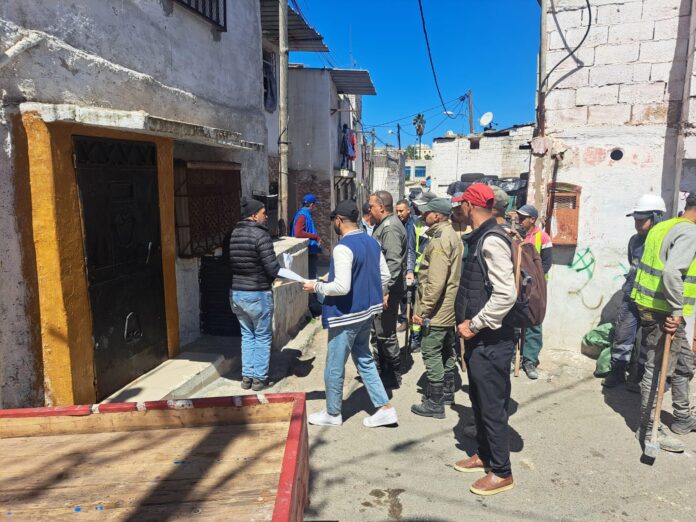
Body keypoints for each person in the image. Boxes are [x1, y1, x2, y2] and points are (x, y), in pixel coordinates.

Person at [303, 200, 398, 428]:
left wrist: (316, 286)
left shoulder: (342, 247)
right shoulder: (372, 242)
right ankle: (385, 408)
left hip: (345, 315)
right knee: (364, 359)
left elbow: (342, 287)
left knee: (334, 366)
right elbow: (384, 276)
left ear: (338, 220)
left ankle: (333, 412)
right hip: (367, 312)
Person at [451, 183, 517, 496]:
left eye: (460, 205)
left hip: (492, 339)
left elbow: (506, 295)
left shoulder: (491, 240)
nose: (458, 210)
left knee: (492, 406)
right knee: (479, 401)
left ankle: (502, 471)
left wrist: (475, 324)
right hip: (481, 339)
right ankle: (485, 456)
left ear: (469, 205)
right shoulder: (483, 236)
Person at [633, 192, 696, 452]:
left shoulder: (665, 226)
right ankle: (650, 428)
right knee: (658, 369)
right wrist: (677, 310)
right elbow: (671, 272)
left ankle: (682, 417)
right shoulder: (690, 232)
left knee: (683, 363)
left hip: (653, 305)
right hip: (664, 311)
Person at [603, 194, 666, 389]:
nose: (637, 224)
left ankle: (639, 376)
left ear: (655, 217)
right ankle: (617, 371)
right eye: (636, 220)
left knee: (648, 341)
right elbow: (633, 264)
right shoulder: (634, 241)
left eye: (641, 220)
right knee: (623, 335)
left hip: (651, 301)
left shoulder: (664, 243)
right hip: (631, 297)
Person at [410, 198, 463, 418]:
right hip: (447, 307)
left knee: (430, 350)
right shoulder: (451, 235)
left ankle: (435, 402)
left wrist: (422, 311)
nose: (424, 216)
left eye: (427, 213)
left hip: (437, 309)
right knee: (445, 350)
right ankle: (448, 392)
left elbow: (436, 281)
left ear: (437, 216)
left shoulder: (441, 240)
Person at [228, 197, 281, 391]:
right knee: (262, 336)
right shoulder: (261, 235)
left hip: (237, 293)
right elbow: (272, 267)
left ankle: (246, 378)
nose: (266, 216)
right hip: (257, 293)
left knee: (247, 335)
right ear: (253, 215)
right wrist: (276, 275)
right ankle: (259, 379)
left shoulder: (234, 233)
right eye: (263, 213)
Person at [369, 190, 408, 388]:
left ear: (381, 207)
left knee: (385, 332)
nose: (369, 210)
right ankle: (379, 369)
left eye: (371, 206)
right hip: (382, 288)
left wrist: (385, 290)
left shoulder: (390, 227)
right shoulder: (384, 225)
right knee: (378, 331)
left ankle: (392, 375)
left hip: (388, 290)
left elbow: (393, 262)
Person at [515, 204, 553, 380]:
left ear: (532, 219)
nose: (520, 221)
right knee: (514, 321)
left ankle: (530, 360)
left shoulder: (543, 238)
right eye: (519, 217)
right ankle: (513, 356)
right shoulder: (517, 235)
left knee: (533, 323)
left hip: (535, 288)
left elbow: (546, 264)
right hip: (518, 286)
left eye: (523, 218)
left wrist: (534, 281)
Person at [406, 191, 437, 350]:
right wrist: (410, 270)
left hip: (436, 274)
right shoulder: (416, 224)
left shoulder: (443, 226)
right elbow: (411, 249)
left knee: (432, 306)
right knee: (417, 306)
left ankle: (430, 338)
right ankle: (415, 337)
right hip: (419, 274)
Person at [395, 199, 415, 333]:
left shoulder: (414, 224)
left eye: (401, 211)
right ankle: (404, 319)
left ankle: (413, 319)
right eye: (397, 211)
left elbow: (412, 248)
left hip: (413, 264)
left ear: (408, 210)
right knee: (403, 294)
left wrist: (410, 268)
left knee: (413, 295)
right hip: (402, 263)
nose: (399, 214)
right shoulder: (398, 224)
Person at [291, 194, 322, 280]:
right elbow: (298, 233)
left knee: (312, 275)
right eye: (315, 204)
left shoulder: (305, 214)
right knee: (311, 277)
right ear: (311, 205)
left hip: (310, 250)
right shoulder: (302, 216)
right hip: (307, 251)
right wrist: (315, 237)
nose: (315, 207)